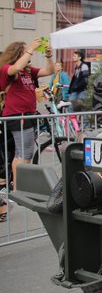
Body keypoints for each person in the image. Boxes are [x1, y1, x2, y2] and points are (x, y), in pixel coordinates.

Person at [0, 39, 54, 199]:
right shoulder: (7, 69)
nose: (29, 53)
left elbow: (49, 70)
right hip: (18, 115)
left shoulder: (28, 71)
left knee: (20, 152)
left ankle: (18, 188)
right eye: (25, 51)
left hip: (27, 114)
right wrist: (30, 48)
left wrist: (49, 56)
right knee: (25, 152)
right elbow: (15, 67)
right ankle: (20, 189)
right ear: (17, 53)